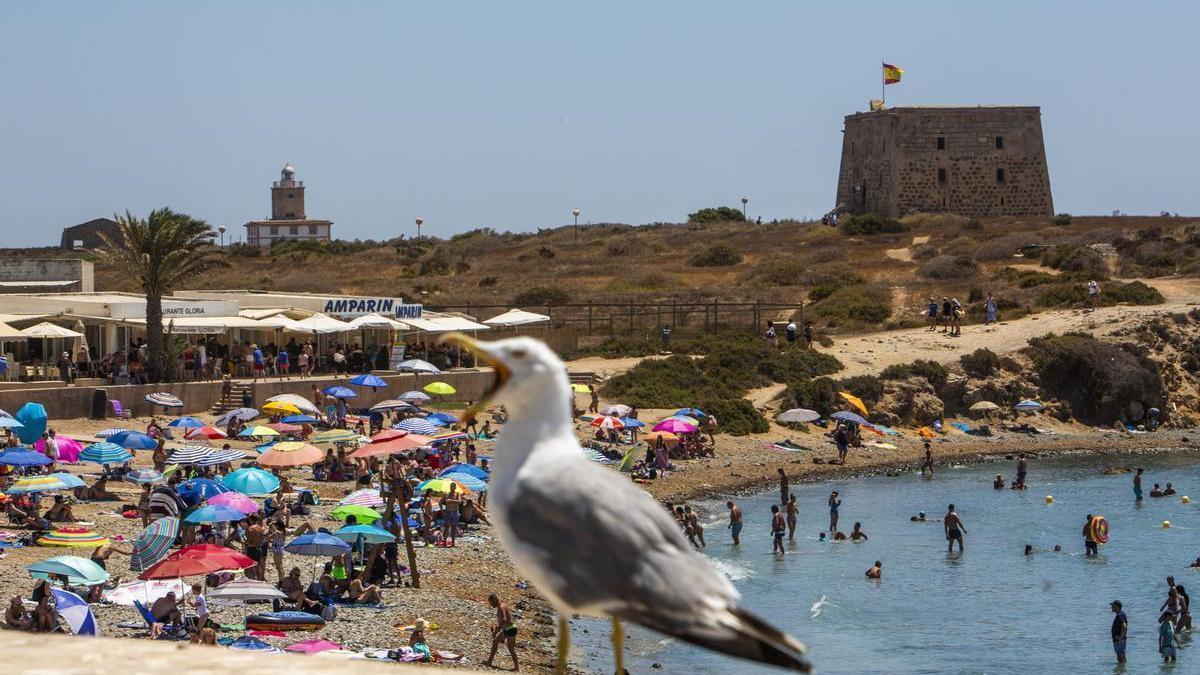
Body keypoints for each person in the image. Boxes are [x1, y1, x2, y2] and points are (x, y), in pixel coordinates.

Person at [485, 594, 519, 671]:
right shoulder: (504, 605)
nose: (491, 604)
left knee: (495, 642)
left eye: (491, 602)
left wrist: (496, 630)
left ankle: (489, 662)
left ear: (494, 601)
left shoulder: (500, 608)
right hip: (513, 627)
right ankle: (516, 668)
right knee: (511, 649)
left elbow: (503, 620)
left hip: (508, 629)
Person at [1111, 600, 1127, 664]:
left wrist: (1120, 637)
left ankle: (1121, 671)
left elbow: (1124, 626)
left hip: (1119, 640)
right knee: (1120, 657)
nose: (1111, 607)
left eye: (1113, 606)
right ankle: (1121, 670)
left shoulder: (1120, 615)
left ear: (1117, 607)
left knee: (1120, 657)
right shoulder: (1121, 614)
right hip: (1119, 640)